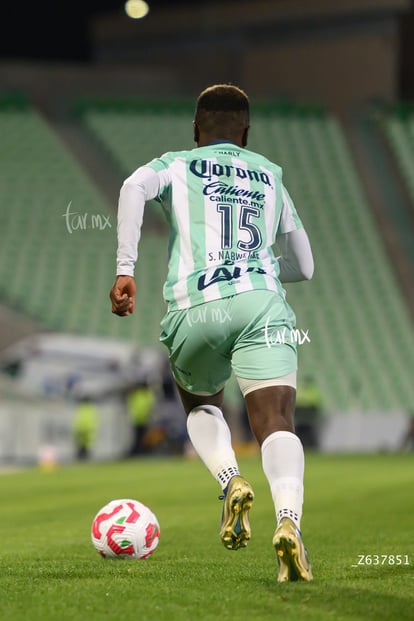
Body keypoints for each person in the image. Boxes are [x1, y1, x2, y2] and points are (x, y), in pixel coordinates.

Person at [110, 84, 314, 582]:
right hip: (260, 305)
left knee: (201, 404)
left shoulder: (178, 163)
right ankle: (289, 522)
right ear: (245, 133)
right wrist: (259, 268)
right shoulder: (271, 175)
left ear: (195, 130)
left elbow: (133, 187)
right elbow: (305, 267)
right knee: (277, 421)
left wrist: (125, 268)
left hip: (194, 307)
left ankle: (229, 482)